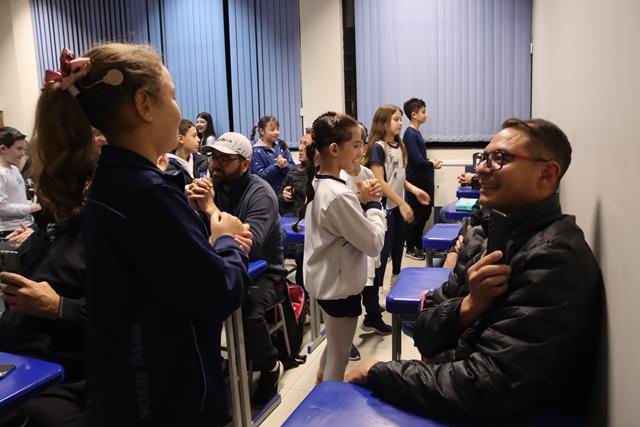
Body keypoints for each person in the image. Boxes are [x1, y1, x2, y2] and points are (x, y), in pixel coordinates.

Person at [34, 44, 251, 426]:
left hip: (130, 389)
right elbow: (217, 292)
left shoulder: (108, 185)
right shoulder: (149, 194)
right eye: (173, 95)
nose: (179, 110)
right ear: (144, 104)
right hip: (172, 396)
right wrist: (227, 240)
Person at [346, 118, 603, 422]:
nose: (480, 168)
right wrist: (468, 307)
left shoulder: (553, 258)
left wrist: (380, 372)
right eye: (484, 157)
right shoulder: (495, 234)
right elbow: (424, 328)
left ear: (546, 174)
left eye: (500, 158)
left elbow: (487, 386)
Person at [0, 124, 107, 427]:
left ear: (84, 182)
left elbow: (125, 316)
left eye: (47, 181)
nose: (39, 192)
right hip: (18, 360)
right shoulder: (45, 231)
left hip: (66, 375)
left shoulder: (103, 235)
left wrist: (59, 306)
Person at [188, 132, 285, 405]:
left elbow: (249, 247)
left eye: (224, 160)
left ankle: (270, 365)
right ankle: (215, 364)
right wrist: (189, 206)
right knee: (194, 307)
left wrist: (209, 209)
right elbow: (209, 236)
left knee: (247, 312)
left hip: (265, 271)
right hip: (222, 264)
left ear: (244, 164)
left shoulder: (261, 194)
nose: (215, 165)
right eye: (213, 157)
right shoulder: (213, 186)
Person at [302, 112, 385, 384]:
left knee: (334, 346)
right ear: (335, 149)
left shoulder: (323, 183)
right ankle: (329, 402)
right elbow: (373, 243)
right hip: (338, 288)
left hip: (328, 283)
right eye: (356, 145)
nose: (361, 152)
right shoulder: (337, 195)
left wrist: (361, 201)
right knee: (339, 358)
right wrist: (374, 205)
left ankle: (321, 383)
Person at [362, 104, 431, 335]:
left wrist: (414, 191)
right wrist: (401, 203)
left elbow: (399, 178)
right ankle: (372, 312)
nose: (400, 123)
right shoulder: (377, 148)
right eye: (395, 119)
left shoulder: (399, 145)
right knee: (379, 261)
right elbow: (380, 182)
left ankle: (392, 296)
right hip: (383, 211)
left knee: (397, 255)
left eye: (401, 119)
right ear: (383, 122)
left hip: (396, 208)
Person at [402, 98, 442, 260]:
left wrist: (430, 164)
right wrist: (432, 163)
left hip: (422, 181)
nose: (426, 115)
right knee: (417, 216)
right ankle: (411, 247)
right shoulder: (410, 134)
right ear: (414, 115)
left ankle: (418, 245)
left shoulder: (415, 133)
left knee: (424, 214)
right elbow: (417, 161)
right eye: (423, 112)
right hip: (416, 182)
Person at [0, 127, 41, 237]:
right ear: (3, 149)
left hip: (26, 225)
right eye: (18, 149)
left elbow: (16, 199)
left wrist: (29, 203)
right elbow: (2, 208)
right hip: (9, 230)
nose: (23, 153)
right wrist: (30, 208)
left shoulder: (14, 169)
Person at [250, 115, 295, 194]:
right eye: (272, 130)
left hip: (285, 193)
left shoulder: (282, 145)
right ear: (262, 131)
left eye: (277, 129)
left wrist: (285, 165)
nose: (276, 132)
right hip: (267, 195)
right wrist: (276, 166)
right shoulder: (256, 151)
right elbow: (258, 178)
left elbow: (293, 170)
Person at [278, 128, 312, 217]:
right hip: (294, 220)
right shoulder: (294, 170)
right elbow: (278, 201)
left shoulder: (323, 173)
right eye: (301, 143)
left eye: (305, 144)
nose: (300, 148)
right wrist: (284, 197)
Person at [165, 118, 209, 185]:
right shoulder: (166, 165)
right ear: (180, 139)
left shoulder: (202, 160)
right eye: (194, 136)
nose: (199, 139)